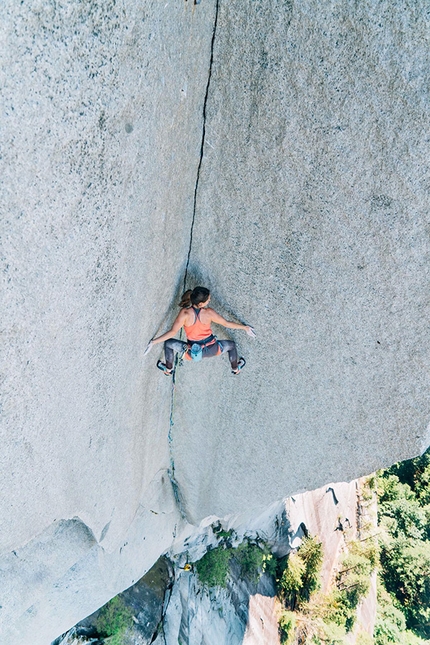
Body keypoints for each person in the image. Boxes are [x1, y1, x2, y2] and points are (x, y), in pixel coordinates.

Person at [144, 286, 255, 375]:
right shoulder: (209, 313)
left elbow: (172, 332)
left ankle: (168, 370)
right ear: (201, 304)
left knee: (168, 343)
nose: (209, 300)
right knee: (231, 345)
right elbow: (226, 323)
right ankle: (236, 369)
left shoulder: (185, 314)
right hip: (213, 349)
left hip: (193, 353)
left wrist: (153, 342)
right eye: (208, 299)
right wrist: (245, 328)